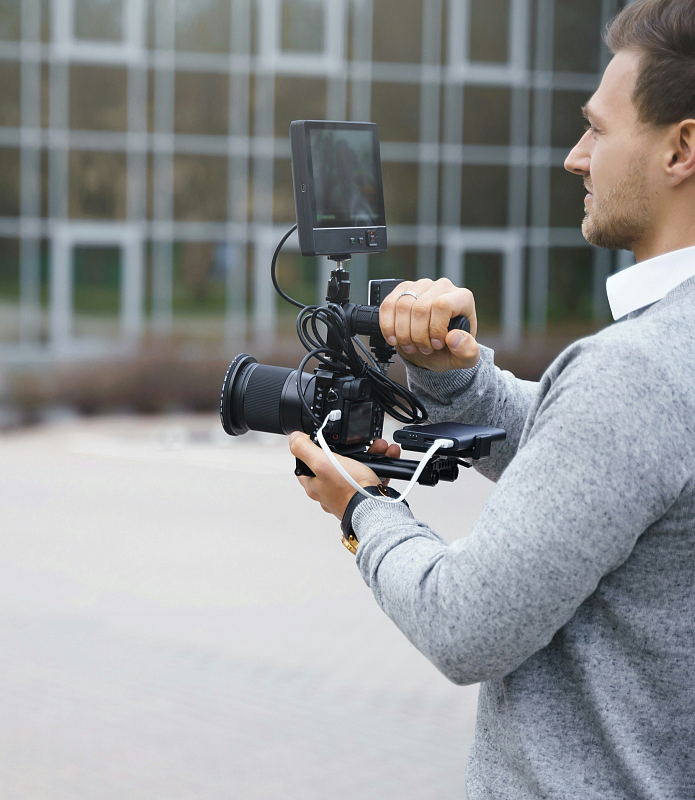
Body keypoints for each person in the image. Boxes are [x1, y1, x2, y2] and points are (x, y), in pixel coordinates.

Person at [289, 1, 695, 797]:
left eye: (599, 131)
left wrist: (361, 511)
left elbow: (465, 626)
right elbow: (594, 467)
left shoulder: (637, 371)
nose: (577, 158)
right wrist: (452, 372)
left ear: (683, 147)